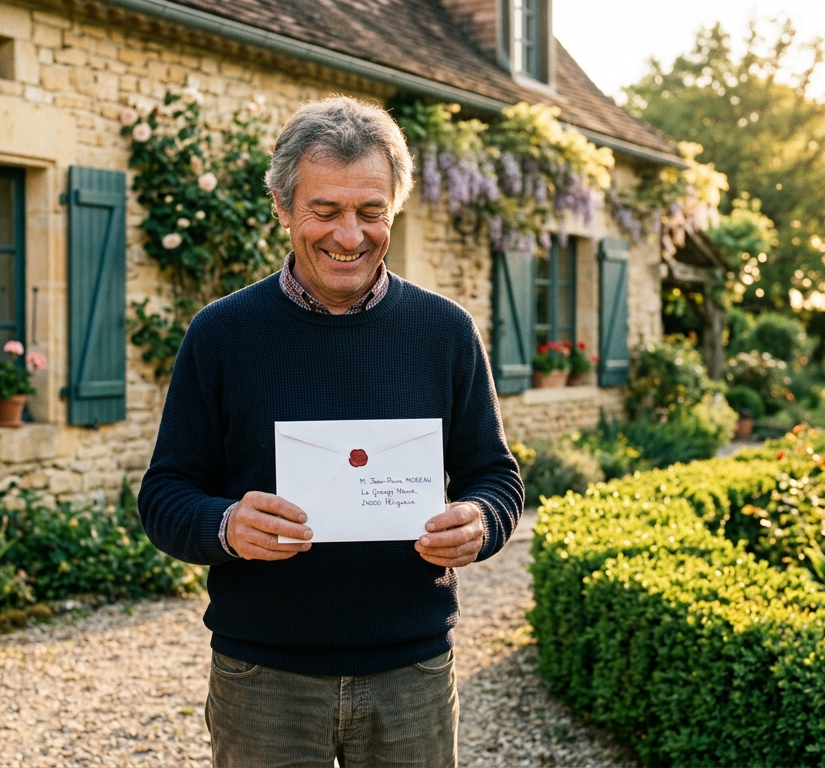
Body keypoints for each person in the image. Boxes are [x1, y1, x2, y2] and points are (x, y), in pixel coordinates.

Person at [137, 96, 523, 767]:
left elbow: (496, 475)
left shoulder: (445, 333)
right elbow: (166, 493)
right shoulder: (222, 335)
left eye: (370, 212)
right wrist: (226, 524)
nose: (350, 235)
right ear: (284, 208)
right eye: (326, 211)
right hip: (263, 680)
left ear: (394, 208)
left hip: (413, 675)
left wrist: (480, 519)